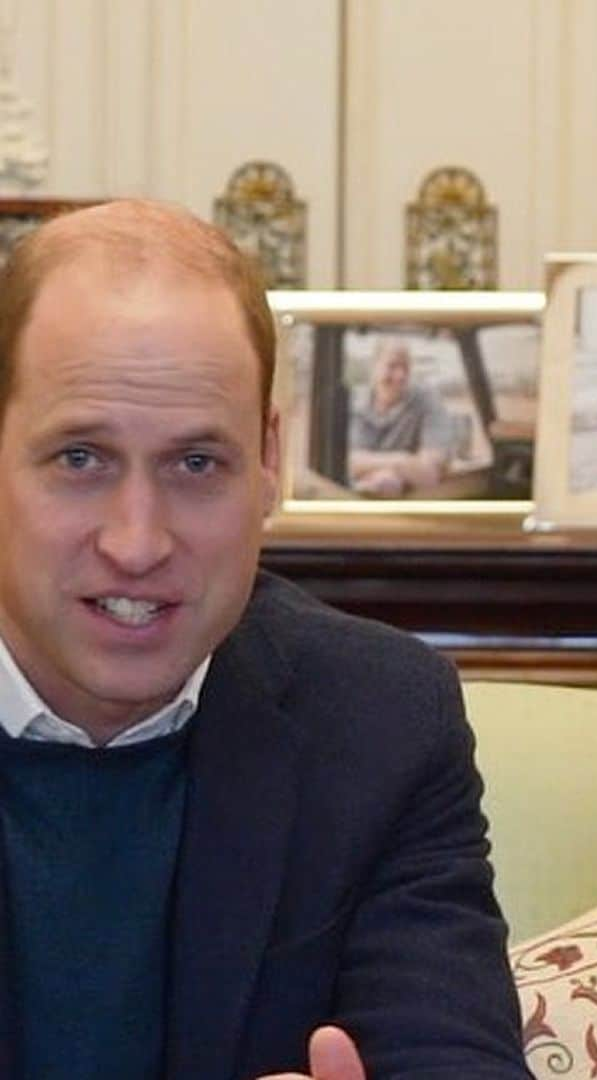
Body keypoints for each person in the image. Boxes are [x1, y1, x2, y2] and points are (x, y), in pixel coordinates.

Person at [0, 199, 530, 1080]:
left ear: (270, 462)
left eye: (197, 464)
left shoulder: (381, 723)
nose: (138, 542)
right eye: (81, 459)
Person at [347, 338, 455, 497]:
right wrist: (401, 463)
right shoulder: (354, 403)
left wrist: (390, 471)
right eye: (392, 366)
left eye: (405, 367)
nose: (400, 376)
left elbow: (429, 473)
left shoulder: (427, 400)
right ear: (373, 366)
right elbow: (344, 464)